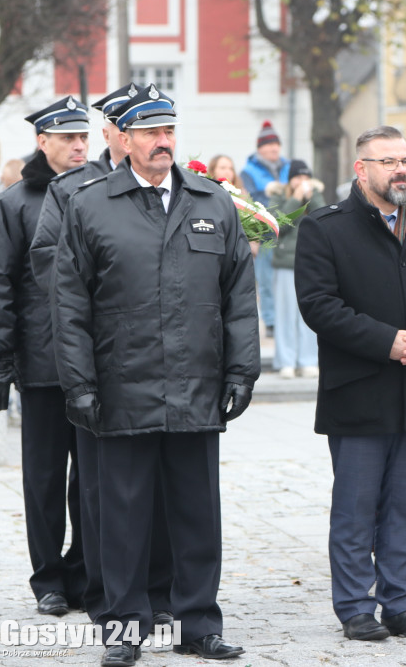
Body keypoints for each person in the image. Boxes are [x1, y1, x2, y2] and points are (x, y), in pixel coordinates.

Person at [53, 84, 258, 666]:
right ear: (123, 138)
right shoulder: (90, 205)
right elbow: (68, 306)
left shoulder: (212, 202)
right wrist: (81, 384)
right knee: (122, 518)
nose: (163, 142)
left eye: (168, 131)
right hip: (122, 389)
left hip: (196, 389)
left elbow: (239, 297)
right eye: (149, 132)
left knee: (197, 514)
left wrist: (241, 370)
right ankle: (124, 627)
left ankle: (198, 623)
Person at [294, 126, 406, 642]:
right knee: (356, 508)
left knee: (405, 507)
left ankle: (399, 603)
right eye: (388, 161)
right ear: (360, 168)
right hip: (360, 390)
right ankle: (355, 607)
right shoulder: (326, 228)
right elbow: (319, 306)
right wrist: (389, 341)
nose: (401, 170)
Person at [29, 82, 177, 629]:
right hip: (97, 355)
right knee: (95, 487)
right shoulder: (76, 190)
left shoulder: (179, 186)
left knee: (156, 487)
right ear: (117, 131)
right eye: (124, 125)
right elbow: (51, 265)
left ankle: (158, 590)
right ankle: (99, 588)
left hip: (158, 364)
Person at [0, 96, 90, 618]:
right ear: (42, 141)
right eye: (68, 138)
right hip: (44, 363)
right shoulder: (14, 203)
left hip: (94, 365)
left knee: (92, 481)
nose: (79, 146)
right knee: (46, 479)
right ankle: (48, 578)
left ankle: (83, 571)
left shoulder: (101, 191)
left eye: (84, 138)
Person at [268, 159, 324, 379]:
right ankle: (286, 361)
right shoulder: (279, 197)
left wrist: (312, 197)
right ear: (289, 180)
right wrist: (294, 200)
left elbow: (324, 219)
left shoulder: (315, 195)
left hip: (311, 263)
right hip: (285, 262)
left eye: (305, 177)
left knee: (309, 313)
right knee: (285, 314)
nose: (302, 182)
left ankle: (308, 360)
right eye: (297, 178)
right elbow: (277, 225)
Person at [241, 120, 289, 337]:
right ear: (260, 148)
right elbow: (251, 200)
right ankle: (270, 321)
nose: (274, 149)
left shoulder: (288, 166)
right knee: (266, 279)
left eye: (276, 144)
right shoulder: (249, 171)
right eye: (269, 145)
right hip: (265, 234)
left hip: (289, 233)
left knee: (289, 281)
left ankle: (288, 319)